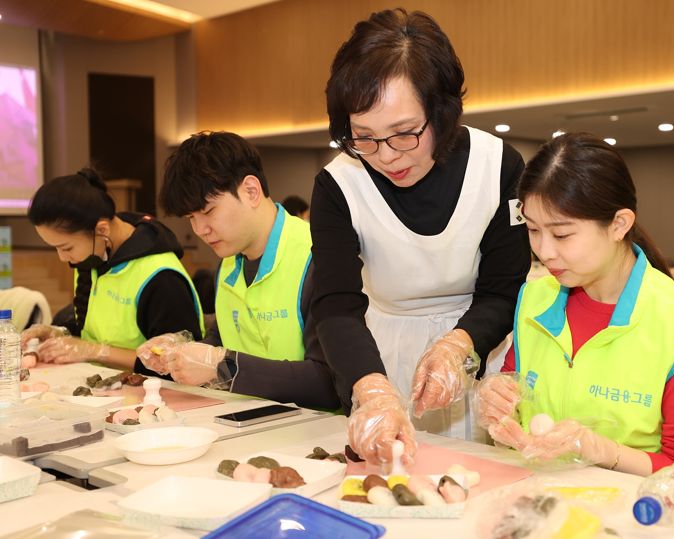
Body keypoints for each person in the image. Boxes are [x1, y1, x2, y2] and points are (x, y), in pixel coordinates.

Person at [311, 8, 530, 467]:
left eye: (404, 133)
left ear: (442, 111)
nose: (386, 156)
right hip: (378, 353)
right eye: (363, 138)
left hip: (477, 344)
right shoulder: (339, 183)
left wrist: (457, 344)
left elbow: (504, 288)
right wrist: (370, 386)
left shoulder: (497, 165)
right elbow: (336, 304)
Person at [476, 133, 674, 476]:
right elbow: (519, 400)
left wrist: (602, 450)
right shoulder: (535, 299)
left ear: (619, 224)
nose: (544, 251)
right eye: (532, 230)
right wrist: (500, 400)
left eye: (561, 234)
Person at [137, 131, 340, 410]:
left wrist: (221, 367)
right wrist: (181, 350)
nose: (200, 230)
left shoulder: (318, 256)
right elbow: (222, 342)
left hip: (314, 438)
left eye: (208, 212)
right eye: (191, 218)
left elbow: (330, 383)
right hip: (246, 427)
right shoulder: (230, 260)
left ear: (251, 191)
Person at [23, 169, 204, 374]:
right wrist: (58, 333)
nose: (62, 258)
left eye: (66, 248)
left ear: (102, 230)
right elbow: (92, 327)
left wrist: (95, 351)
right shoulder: (94, 255)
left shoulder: (161, 278)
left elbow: (178, 362)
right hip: (102, 386)